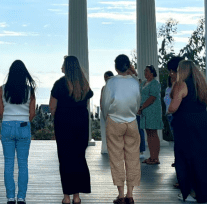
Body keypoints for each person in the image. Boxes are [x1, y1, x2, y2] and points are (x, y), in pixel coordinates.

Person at [168, 60, 207, 203]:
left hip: (186, 125)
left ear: (182, 71)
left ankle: (191, 192)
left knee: (186, 157)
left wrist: (174, 85)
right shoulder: (200, 85)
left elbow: (173, 108)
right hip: (202, 122)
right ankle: (206, 190)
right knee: (205, 154)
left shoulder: (181, 84)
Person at [50, 55, 94, 204]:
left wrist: (60, 116)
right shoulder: (84, 85)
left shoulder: (59, 84)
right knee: (79, 158)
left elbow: (52, 107)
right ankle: (77, 196)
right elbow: (86, 105)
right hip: (81, 126)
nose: (61, 67)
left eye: (63, 64)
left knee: (65, 160)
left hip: (63, 125)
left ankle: (66, 197)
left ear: (67, 67)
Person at [101, 55, 142, 204]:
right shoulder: (135, 82)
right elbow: (138, 102)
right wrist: (132, 113)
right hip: (131, 121)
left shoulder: (111, 82)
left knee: (116, 158)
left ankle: (120, 195)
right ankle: (130, 194)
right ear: (128, 65)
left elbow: (105, 104)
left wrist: (108, 118)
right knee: (133, 157)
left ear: (116, 67)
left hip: (114, 120)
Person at [0, 60, 37, 204]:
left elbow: (1, 113)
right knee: (23, 164)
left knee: (8, 163)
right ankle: (21, 197)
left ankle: (10, 197)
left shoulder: (2, 89)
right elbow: (32, 113)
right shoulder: (29, 91)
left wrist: (9, 119)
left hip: (7, 125)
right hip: (23, 125)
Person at [138, 65, 164, 165]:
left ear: (152, 72)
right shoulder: (143, 83)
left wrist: (142, 107)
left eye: (147, 71)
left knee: (153, 133)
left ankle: (156, 158)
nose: (145, 73)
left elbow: (152, 97)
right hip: (144, 111)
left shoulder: (155, 83)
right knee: (148, 134)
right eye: (145, 71)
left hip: (152, 110)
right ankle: (151, 156)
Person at [100, 71, 114, 155]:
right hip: (103, 112)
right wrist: (102, 110)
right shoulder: (103, 88)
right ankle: (105, 147)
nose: (105, 79)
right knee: (104, 130)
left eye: (107, 77)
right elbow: (101, 100)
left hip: (112, 112)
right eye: (104, 77)